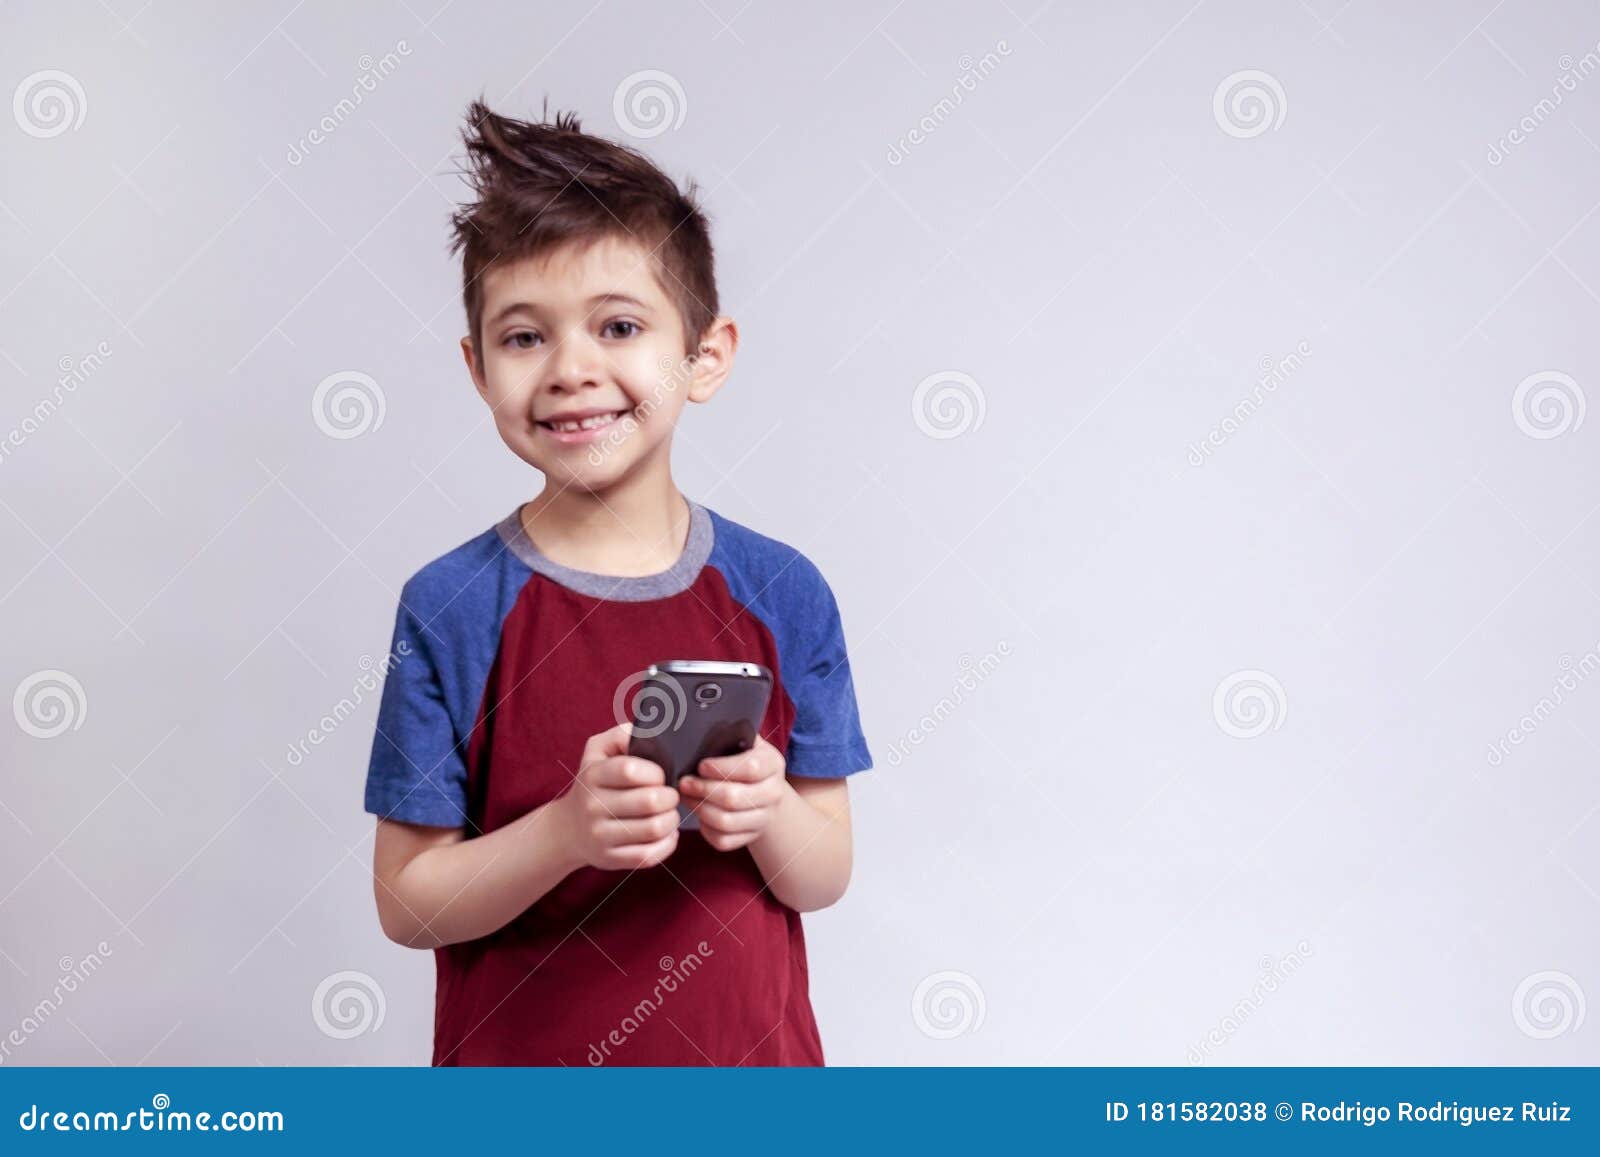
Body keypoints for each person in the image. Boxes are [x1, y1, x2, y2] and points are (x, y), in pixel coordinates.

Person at [362, 101, 873, 1066]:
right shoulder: (450, 605)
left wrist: (770, 813)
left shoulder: (784, 589)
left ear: (704, 357)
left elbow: (824, 873)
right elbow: (406, 901)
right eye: (525, 337)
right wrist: (565, 830)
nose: (572, 369)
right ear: (477, 369)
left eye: (620, 325)